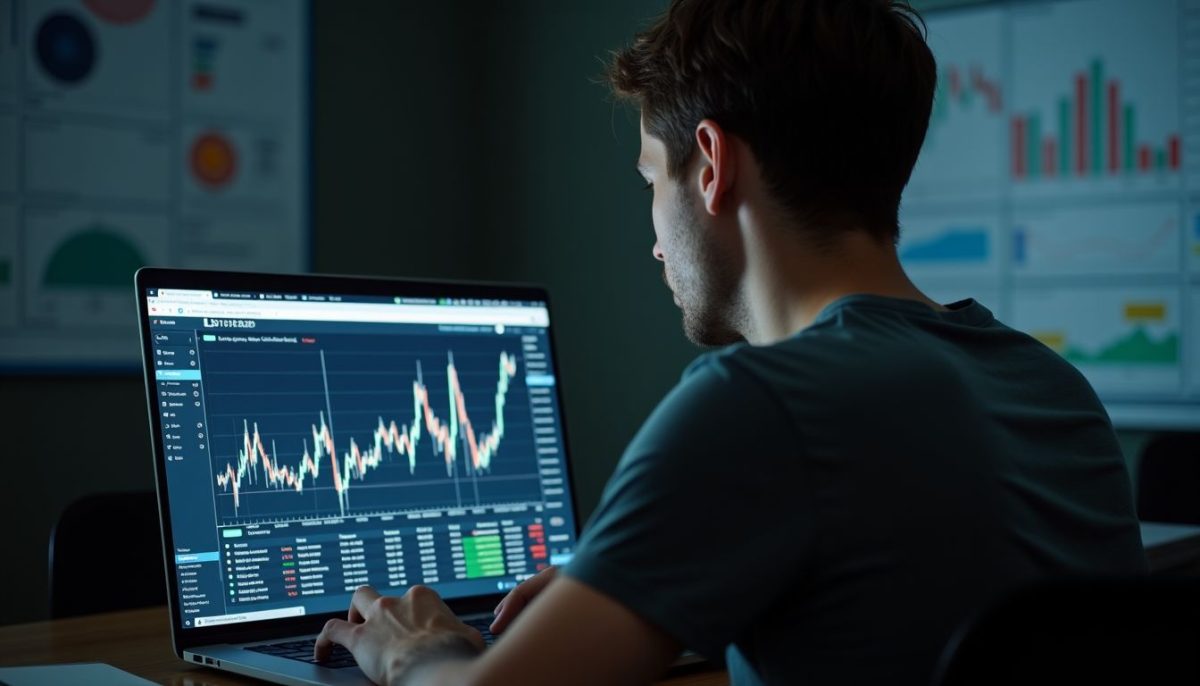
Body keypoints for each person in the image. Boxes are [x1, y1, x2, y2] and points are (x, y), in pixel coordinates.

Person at [313, 0, 1147, 683]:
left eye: (651, 179)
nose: (652, 240)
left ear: (710, 165)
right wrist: (662, 587)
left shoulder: (760, 404)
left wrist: (416, 650)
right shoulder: (1054, 389)